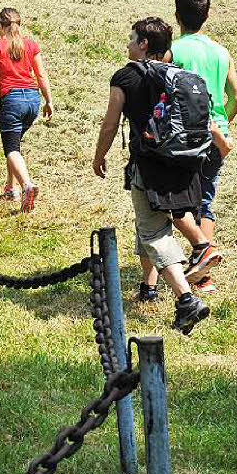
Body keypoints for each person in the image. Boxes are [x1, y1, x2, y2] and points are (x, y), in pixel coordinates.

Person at [92, 17, 214, 334]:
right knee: (148, 226)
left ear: (144, 43)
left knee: (154, 233)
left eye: (132, 38)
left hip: (149, 166)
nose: (128, 44)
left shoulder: (126, 77)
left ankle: (186, 300)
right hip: (186, 164)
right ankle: (148, 288)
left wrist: (99, 155)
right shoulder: (180, 75)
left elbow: (110, 122)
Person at [171, 0, 237, 293]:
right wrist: (222, 120)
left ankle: (198, 256)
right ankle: (204, 276)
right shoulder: (221, 52)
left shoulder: (173, 51)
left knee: (178, 199)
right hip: (218, 136)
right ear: (207, 16)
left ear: (177, 16)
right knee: (206, 201)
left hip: (187, 136)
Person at [0, 8, 54, 212]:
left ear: (0, 27)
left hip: (11, 101)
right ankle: (11, 188)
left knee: (11, 149)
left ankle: (27, 185)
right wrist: (48, 101)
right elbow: (41, 75)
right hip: (32, 101)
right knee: (15, 144)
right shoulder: (30, 44)